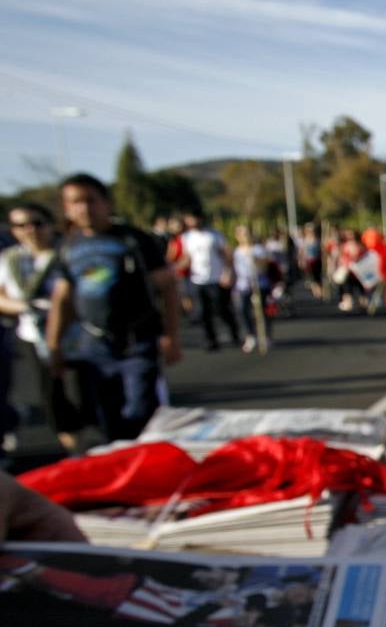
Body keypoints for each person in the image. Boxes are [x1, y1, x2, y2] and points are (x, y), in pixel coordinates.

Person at [45, 174, 183, 442]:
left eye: (90, 200)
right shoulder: (68, 248)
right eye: (75, 202)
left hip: (137, 340)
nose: (84, 208)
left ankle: (146, 467)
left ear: (106, 203)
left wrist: (171, 336)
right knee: (105, 415)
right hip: (94, 344)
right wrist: (54, 346)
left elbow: (167, 287)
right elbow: (62, 299)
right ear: (66, 208)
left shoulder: (134, 240)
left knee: (140, 410)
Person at [0, 204, 86, 454]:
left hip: (76, 337)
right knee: (53, 399)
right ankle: (76, 454)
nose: (30, 230)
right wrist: (25, 306)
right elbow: (1, 297)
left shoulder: (68, 254)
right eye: (21, 225)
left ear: (50, 224)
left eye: (37, 223)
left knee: (83, 398)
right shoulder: (9, 260)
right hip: (34, 337)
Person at [179, 213, 238, 352]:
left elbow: (226, 254)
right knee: (202, 312)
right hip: (197, 279)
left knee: (221, 308)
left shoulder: (214, 235)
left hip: (216, 278)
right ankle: (211, 340)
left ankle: (234, 330)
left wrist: (228, 272)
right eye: (189, 218)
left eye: (194, 217)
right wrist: (174, 268)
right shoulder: (186, 237)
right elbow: (187, 257)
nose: (191, 220)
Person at [231, 226, 270, 353]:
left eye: (247, 234)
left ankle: (265, 335)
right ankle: (250, 335)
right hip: (243, 285)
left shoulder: (258, 249)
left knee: (261, 310)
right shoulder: (237, 251)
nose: (245, 237)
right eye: (241, 234)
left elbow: (265, 267)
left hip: (259, 284)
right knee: (242, 310)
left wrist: (256, 260)